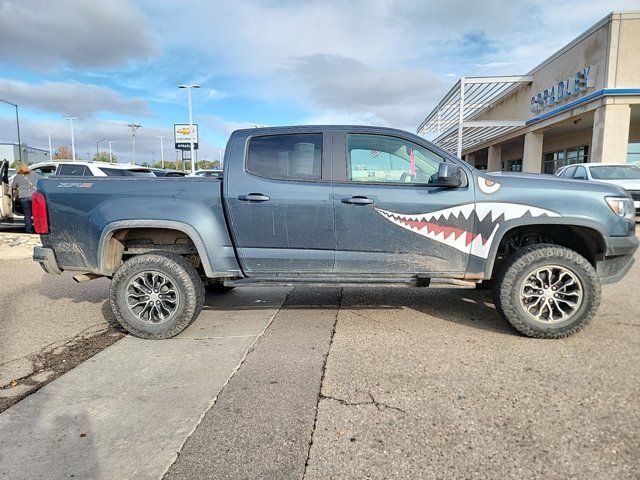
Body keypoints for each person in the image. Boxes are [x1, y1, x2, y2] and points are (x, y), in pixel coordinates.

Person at [10, 164, 40, 234]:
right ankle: (38, 229)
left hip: (24, 197)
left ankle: (29, 230)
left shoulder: (17, 177)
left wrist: (19, 187)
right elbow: (42, 180)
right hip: (34, 196)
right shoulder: (34, 174)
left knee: (27, 214)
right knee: (37, 214)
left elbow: (13, 186)